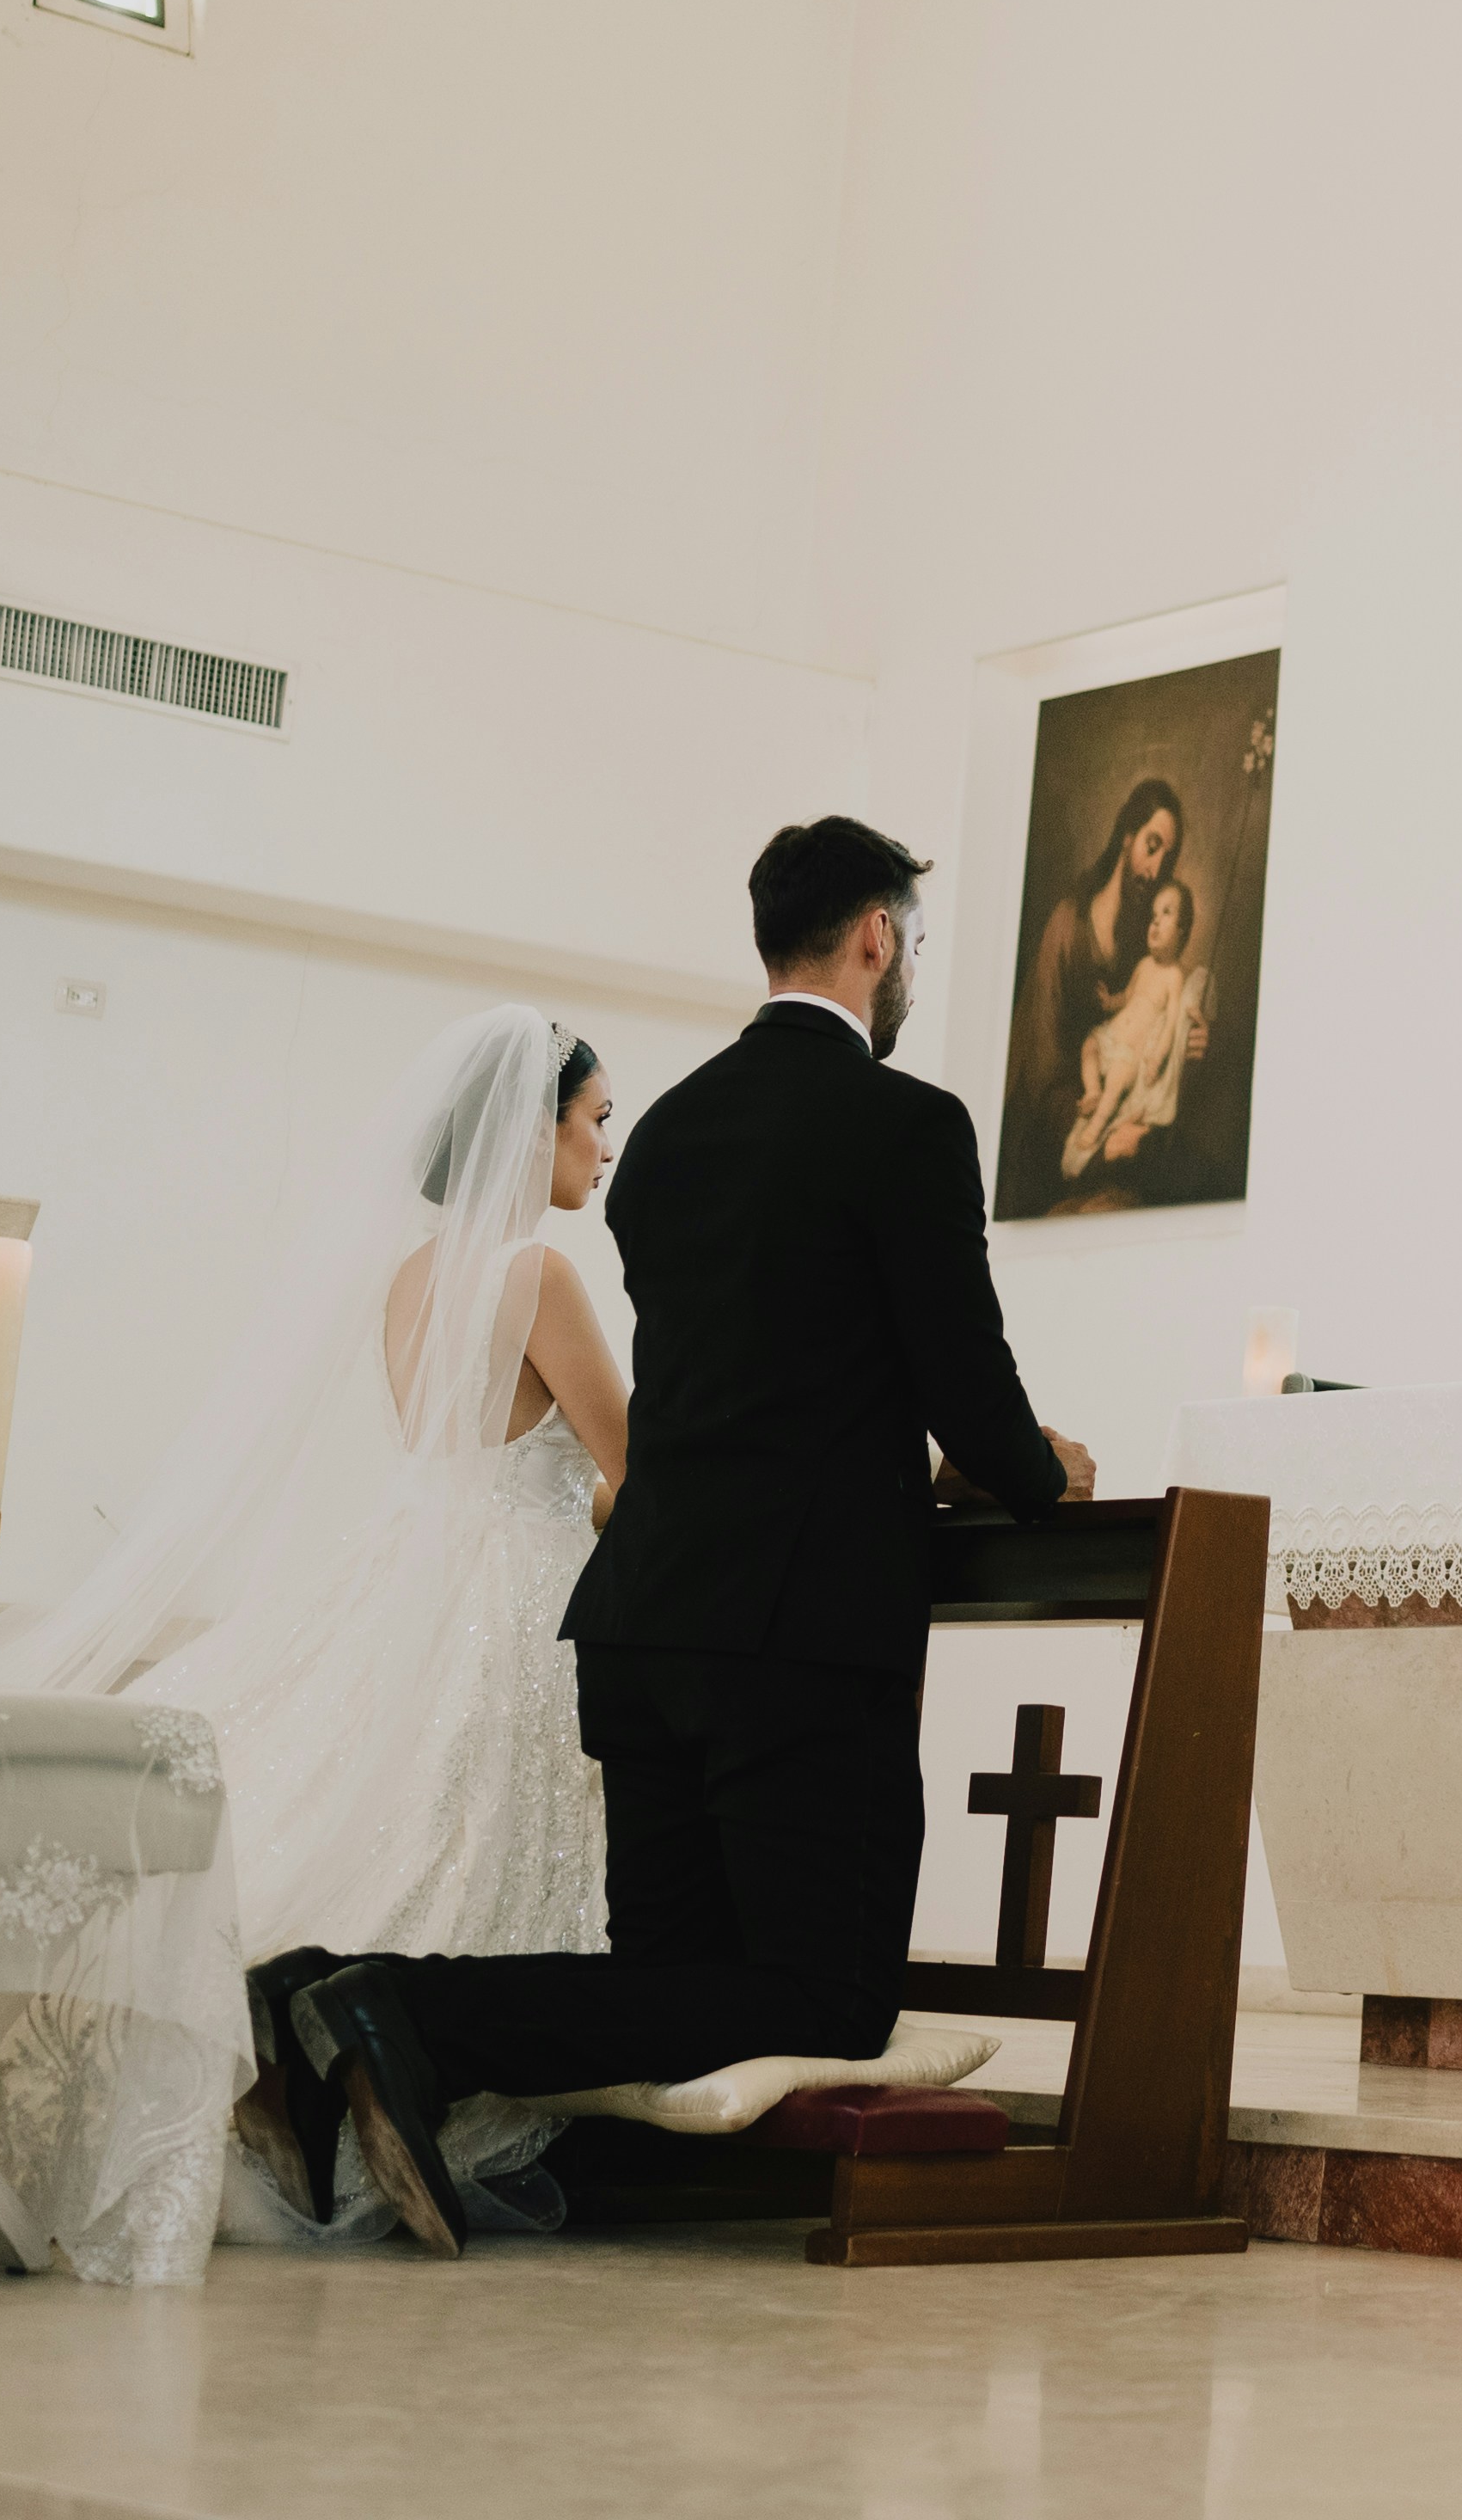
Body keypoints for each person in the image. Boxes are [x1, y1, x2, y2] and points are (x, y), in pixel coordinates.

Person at [243, 817, 1091, 2254]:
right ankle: (395, 2004)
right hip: (800, 1638)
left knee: (681, 1976)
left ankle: (333, 1985)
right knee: (822, 1997)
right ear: (878, 933)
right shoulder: (909, 1124)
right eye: (912, 941)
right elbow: (966, 1375)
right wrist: (1031, 1471)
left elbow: (738, 1384)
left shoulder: (670, 1142)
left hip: (641, 1627)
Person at [0, 1001, 633, 2241]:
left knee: (376, 1806)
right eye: (594, 1119)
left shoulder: (411, 1279)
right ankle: (387, 2056)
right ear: (535, 1126)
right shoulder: (541, 1275)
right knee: (463, 1834)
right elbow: (637, 1468)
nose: (605, 1147)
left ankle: (274, 2043)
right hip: (521, 1588)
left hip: (415, 1572)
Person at [1060, 872, 1196, 1181]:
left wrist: (1157, 1057)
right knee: (1089, 1046)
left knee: (1118, 1080)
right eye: (1153, 915)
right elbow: (1128, 997)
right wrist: (1110, 1003)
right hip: (1113, 1035)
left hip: (1131, 1053)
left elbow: (1172, 1023)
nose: (1155, 922)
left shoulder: (1174, 977)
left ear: (1183, 931)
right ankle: (1092, 1091)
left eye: (1166, 914)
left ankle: (1097, 1124)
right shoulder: (1144, 966)